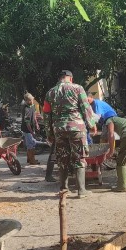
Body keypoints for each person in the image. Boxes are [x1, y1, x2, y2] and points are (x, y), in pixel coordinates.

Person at [43, 70, 98, 198]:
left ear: (60, 78)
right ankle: (81, 190)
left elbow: (46, 114)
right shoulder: (78, 88)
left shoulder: (50, 92)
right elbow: (85, 107)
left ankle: (64, 189)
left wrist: (49, 132)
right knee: (79, 157)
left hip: (59, 130)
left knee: (62, 159)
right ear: (70, 78)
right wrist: (92, 124)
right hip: (76, 128)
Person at [21, 93, 42, 167]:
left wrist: (36, 124)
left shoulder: (32, 105)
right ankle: (32, 160)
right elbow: (27, 124)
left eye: (32, 99)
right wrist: (32, 132)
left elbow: (34, 115)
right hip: (27, 129)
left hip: (32, 127)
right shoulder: (26, 108)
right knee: (31, 144)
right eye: (30, 100)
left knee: (31, 143)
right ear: (27, 101)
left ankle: (29, 159)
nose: (32, 101)